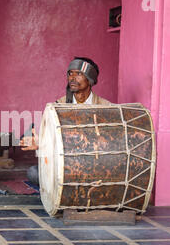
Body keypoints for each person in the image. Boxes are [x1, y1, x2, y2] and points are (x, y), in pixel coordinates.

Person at [20, 57, 111, 186]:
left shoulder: (106, 107)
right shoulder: (58, 106)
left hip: (93, 167)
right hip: (65, 167)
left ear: (90, 79)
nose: (72, 78)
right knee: (34, 172)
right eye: (70, 73)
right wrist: (40, 142)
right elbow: (48, 137)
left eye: (79, 74)